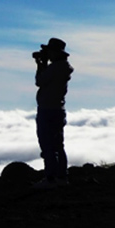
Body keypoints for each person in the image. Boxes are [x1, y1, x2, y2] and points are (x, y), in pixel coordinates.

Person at [33, 38, 74, 189]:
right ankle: (61, 177)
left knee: (47, 144)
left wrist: (40, 65)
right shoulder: (63, 67)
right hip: (57, 109)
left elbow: (39, 81)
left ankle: (50, 179)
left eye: (49, 51)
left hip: (47, 110)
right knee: (57, 145)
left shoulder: (56, 68)